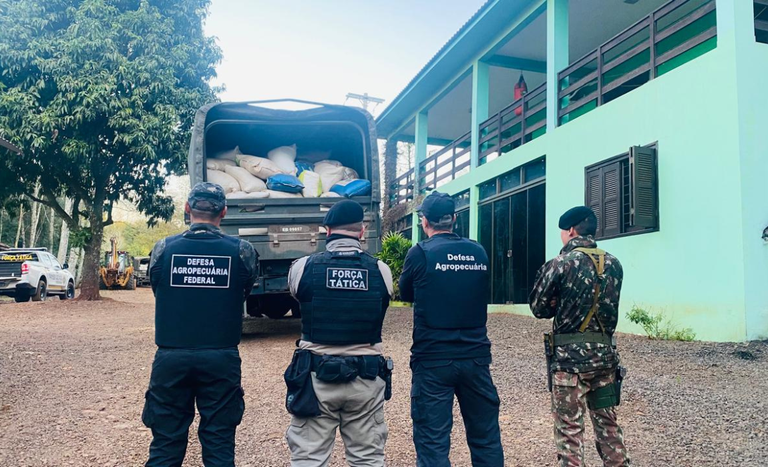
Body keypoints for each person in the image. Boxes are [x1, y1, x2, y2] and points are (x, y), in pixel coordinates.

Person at [142, 182, 259, 467]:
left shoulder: (164, 248)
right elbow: (245, 289)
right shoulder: (242, 251)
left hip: (171, 356)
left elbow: (158, 287)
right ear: (224, 212)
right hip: (221, 356)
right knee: (219, 442)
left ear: (187, 209)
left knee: (165, 444)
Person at [285, 199, 394, 467]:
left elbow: (299, 296)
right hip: (366, 379)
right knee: (367, 459)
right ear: (362, 230)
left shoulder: (303, 267)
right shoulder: (381, 270)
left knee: (309, 458)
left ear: (327, 230)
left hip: (315, 380)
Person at [399, 191, 504, 467]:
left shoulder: (420, 253)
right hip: (476, 357)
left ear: (424, 221)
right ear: (454, 219)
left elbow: (406, 293)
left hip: (433, 358)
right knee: (486, 437)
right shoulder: (478, 251)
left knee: (433, 442)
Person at [529, 206, 631, 467]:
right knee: (608, 425)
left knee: (570, 432)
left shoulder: (561, 263)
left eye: (563, 232)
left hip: (569, 364)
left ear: (571, 230)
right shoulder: (614, 263)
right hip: (605, 360)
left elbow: (539, 308)